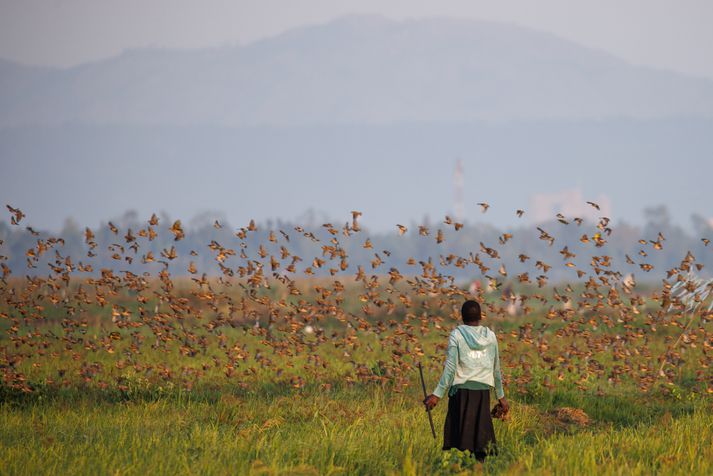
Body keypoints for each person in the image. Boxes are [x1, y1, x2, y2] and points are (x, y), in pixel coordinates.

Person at [423, 299, 508, 462]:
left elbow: (450, 368)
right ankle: (477, 469)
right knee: (480, 441)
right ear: (480, 317)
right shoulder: (491, 336)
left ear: (462, 317)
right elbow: (496, 369)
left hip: (461, 394)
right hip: (482, 394)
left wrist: (436, 395)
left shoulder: (457, 334)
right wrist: (501, 397)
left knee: (462, 441)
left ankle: (464, 469)